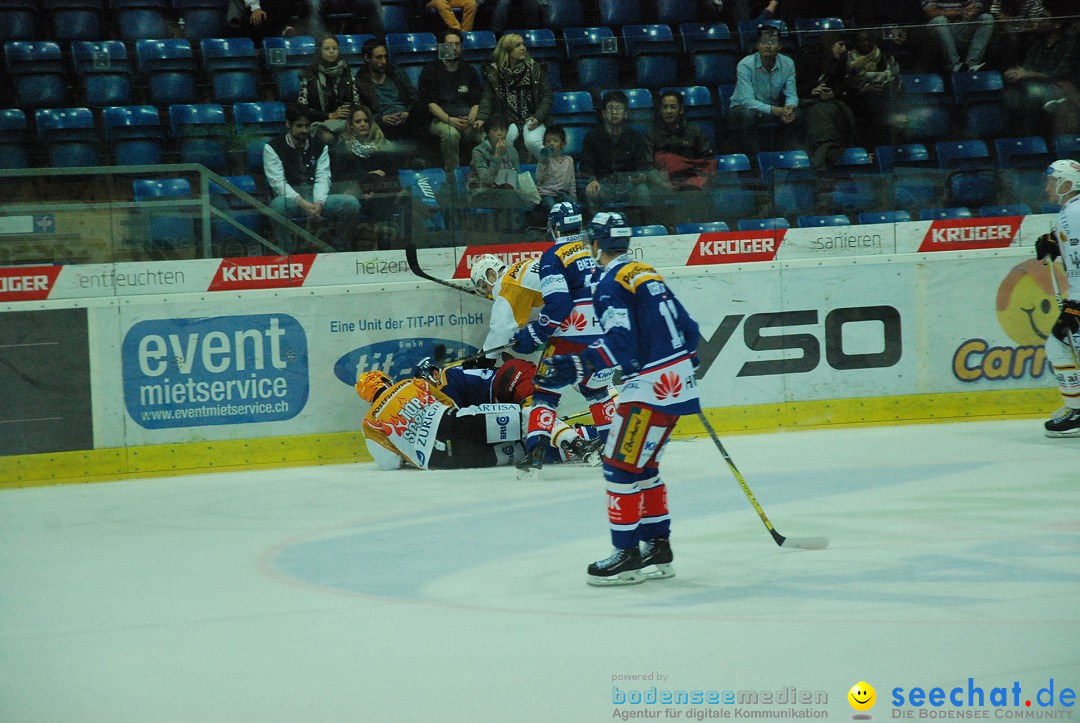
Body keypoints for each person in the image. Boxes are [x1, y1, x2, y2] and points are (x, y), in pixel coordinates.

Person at [536, 211, 701, 587]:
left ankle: (626, 556)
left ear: (595, 245)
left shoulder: (611, 283)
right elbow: (690, 332)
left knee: (619, 465)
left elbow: (621, 342)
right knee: (644, 466)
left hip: (649, 392)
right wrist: (682, 367)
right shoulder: (646, 272)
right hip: (677, 387)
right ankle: (658, 548)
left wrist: (578, 365)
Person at [505, 201, 619, 478]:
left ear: (554, 227)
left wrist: (535, 334)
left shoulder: (554, 255)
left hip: (571, 336)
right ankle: (614, 454)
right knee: (599, 393)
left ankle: (534, 453)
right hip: (605, 335)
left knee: (545, 394)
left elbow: (559, 305)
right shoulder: (596, 250)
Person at [354, 369, 600, 470]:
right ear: (386, 380)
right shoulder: (410, 383)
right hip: (456, 424)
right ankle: (581, 440)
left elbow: (389, 462)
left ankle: (573, 448)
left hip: (442, 461)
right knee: (527, 419)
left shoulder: (369, 422)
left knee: (517, 450)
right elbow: (448, 404)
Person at [264, 105, 361, 251]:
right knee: (277, 207)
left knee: (351, 204)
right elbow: (278, 183)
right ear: (288, 124)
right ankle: (287, 250)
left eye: (307, 126)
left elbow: (323, 177)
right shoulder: (273, 147)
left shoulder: (320, 145)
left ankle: (340, 247)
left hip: (317, 197)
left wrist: (319, 203)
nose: (304, 130)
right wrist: (302, 203)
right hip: (291, 199)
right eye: (299, 126)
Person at [1034, 159, 1080, 437]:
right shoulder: (1071, 212)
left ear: (1066, 184)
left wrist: (1077, 307)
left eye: (1052, 182)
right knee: (1059, 346)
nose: (1047, 187)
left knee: (1057, 346)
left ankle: (1076, 411)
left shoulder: (1073, 213)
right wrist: (1055, 240)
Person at [329, 104, 404, 247]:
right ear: (351, 126)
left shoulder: (383, 146)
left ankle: (383, 247)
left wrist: (375, 191)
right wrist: (368, 177)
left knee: (384, 197)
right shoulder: (342, 149)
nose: (363, 124)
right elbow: (341, 178)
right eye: (358, 122)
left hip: (380, 195)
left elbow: (393, 175)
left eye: (366, 121)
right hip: (355, 196)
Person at [475, 33, 553, 162]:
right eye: (518, 45)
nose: (523, 48)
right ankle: (509, 174)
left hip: (532, 117)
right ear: (507, 50)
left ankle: (551, 166)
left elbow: (547, 96)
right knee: (504, 143)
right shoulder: (495, 73)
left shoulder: (535, 69)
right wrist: (482, 117)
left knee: (532, 142)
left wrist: (538, 117)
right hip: (507, 119)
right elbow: (487, 97)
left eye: (523, 44)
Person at [580, 90, 654, 221]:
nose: (614, 112)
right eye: (610, 109)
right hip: (603, 184)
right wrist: (592, 180)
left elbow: (642, 164)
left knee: (643, 190)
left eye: (618, 108)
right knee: (591, 192)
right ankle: (597, 227)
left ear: (625, 113)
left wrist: (641, 175)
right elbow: (586, 164)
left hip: (629, 184)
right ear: (603, 113)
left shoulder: (635, 137)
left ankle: (643, 228)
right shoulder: (592, 137)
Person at [728, 25, 798, 159]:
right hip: (740, 108)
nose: (767, 46)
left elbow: (792, 94)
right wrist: (777, 111)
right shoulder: (745, 65)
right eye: (764, 42)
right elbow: (748, 101)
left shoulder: (788, 63)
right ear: (758, 45)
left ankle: (792, 159)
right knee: (750, 115)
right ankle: (756, 162)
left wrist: (790, 107)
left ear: (780, 46)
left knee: (797, 115)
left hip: (771, 108)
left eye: (772, 42)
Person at [418, 29, 483, 173]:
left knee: (487, 136)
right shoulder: (430, 70)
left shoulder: (469, 70)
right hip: (440, 120)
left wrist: (472, 117)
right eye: (449, 44)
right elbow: (430, 104)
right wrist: (450, 120)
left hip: (466, 119)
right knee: (450, 134)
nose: (454, 48)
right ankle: (453, 177)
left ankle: (486, 177)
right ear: (441, 47)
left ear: (462, 47)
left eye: (457, 44)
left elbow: (477, 100)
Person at [796, 31, 857, 170]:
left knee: (831, 110)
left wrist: (832, 94)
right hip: (806, 102)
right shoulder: (806, 58)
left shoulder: (840, 62)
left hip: (827, 103)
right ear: (829, 45)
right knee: (823, 112)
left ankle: (824, 152)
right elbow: (792, 87)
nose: (844, 49)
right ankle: (824, 152)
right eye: (840, 45)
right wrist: (811, 91)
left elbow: (844, 88)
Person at [468, 113, 538, 218]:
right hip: (481, 193)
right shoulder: (479, 151)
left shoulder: (511, 150)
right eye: (495, 130)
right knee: (509, 198)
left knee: (533, 204)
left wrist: (526, 199)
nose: (499, 133)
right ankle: (514, 231)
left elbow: (515, 180)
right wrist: (497, 156)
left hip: (506, 192)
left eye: (502, 130)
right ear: (488, 133)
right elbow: (486, 179)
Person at [297, 32, 362, 145]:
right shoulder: (309, 75)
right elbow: (303, 110)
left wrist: (346, 112)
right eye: (327, 49)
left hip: (345, 121)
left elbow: (356, 103)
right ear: (319, 51)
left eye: (334, 48)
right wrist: (329, 115)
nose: (331, 51)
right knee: (328, 138)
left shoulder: (346, 71)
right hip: (319, 123)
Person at [646, 90, 716, 192]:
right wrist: (662, 183)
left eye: (673, 107)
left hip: (691, 183)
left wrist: (692, 181)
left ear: (681, 109)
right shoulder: (651, 134)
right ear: (660, 110)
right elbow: (648, 165)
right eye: (665, 107)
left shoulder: (695, 131)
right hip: (662, 184)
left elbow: (707, 160)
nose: (669, 111)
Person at [355, 37, 420, 144]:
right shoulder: (360, 81)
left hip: (406, 119)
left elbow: (413, 96)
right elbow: (362, 111)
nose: (384, 61)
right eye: (379, 58)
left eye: (385, 57)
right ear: (367, 58)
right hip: (381, 124)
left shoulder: (396, 73)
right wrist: (381, 119)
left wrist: (407, 112)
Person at [846, 29, 902, 149]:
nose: (866, 43)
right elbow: (847, 82)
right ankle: (877, 147)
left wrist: (887, 84)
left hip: (885, 93)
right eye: (862, 41)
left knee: (899, 101)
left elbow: (895, 75)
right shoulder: (849, 59)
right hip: (860, 98)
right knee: (873, 104)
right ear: (856, 43)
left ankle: (897, 144)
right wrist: (864, 88)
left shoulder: (884, 56)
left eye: (868, 40)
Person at [923, 0, 995, 72]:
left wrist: (973, 10)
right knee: (940, 20)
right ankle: (954, 65)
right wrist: (960, 12)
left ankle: (972, 64)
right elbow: (932, 12)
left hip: (960, 27)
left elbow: (977, 5)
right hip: (936, 30)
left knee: (987, 18)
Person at [535, 125, 577, 211]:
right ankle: (553, 224)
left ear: (563, 143)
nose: (551, 144)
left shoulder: (569, 160)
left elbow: (572, 180)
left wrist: (573, 196)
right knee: (553, 207)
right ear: (544, 144)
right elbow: (539, 178)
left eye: (555, 141)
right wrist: (544, 162)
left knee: (572, 206)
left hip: (561, 194)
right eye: (548, 141)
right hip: (546, 194)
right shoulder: (545, 160)